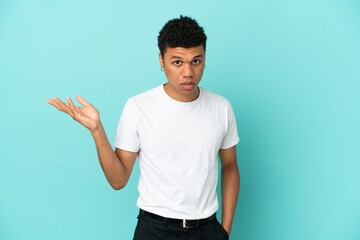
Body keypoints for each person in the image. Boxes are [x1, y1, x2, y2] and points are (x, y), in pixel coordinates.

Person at [46, 15, 240, 240]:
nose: (188, 72)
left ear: (204, 59)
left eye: (196, 61)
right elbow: (118, 180)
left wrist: (224, 231)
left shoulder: (221, 107)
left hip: (207, 230)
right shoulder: (139, 107)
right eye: (177, 62)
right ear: (161, 60)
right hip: (155, 230)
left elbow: (230, 167)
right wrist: (97, 130)